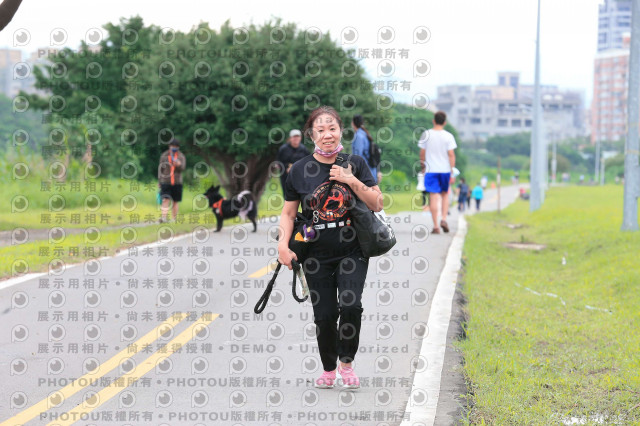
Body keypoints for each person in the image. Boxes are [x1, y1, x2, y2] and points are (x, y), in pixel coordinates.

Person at [278, 106, 382, 390]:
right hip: (315, 254)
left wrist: (350, 179)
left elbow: (377, 203)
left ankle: (346, 365)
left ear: (340, 131)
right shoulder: (299, 171)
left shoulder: (355, 163)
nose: (327, 135)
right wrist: (282, 245)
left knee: (350, 306)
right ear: (311, 134)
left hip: (352, 250)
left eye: (332, 129)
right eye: (320, 130)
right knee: (324, 315)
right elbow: (288, 214)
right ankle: (328, 369)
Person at [418, 111, 457, 234]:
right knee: (445, 194)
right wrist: (452, 171)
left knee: (433, 196)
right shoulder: (448, 136)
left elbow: (422, 153)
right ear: (444, 122)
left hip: (431, 170)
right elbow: (451, 154)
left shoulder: (426, 134)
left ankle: (435, 226)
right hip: (445, 170)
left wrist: (422, 166)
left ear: (433, 121)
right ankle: (444, 219)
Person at [158, 139, 186, 223]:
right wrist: (159, 181)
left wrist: (179, 165)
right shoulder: (164, 155)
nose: (173, 148)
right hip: (166, 181)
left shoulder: (181, 156)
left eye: (175, 147)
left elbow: (183, 168)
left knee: (175, 201)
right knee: (165, 199)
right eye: (172, 146)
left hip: (177, 182)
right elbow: (160, 169)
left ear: (178, 147)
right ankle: (163, 218)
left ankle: (174, 219)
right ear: (169, 146)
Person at [277, 129, 310, 196]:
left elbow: (308, 163)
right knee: (288, 195)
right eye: (294, 137)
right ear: (290, 138)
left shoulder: (304, 149)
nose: (296, 138)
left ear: (300, 138)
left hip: (300, 177)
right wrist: (286, 167)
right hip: (286, 177)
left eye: (298, 137)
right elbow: (278, 163)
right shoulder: (283, 149)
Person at [351, 114, 377, 183]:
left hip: (364, 171)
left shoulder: (359, 136)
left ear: (353, 123)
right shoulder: (365, 134)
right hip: (370, 170)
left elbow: (357, 156)